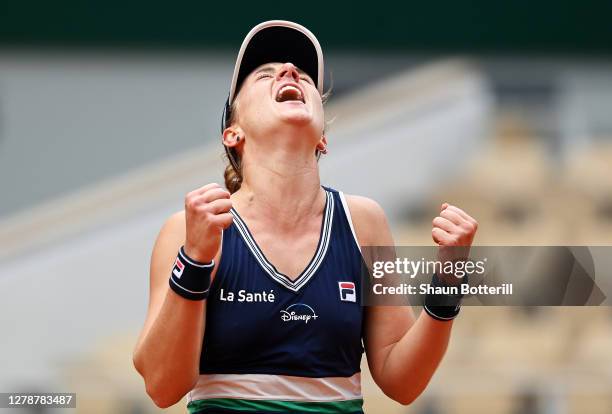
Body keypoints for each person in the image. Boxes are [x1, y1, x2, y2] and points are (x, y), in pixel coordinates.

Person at [132, 20, 478, 414]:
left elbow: (402, 381)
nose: (290, 72)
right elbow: (162, 388)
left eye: (305, 78)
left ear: (322, 139)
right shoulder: (190, 229)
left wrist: (448, 280)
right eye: (264, 74)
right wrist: (194, 262)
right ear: (233, 133)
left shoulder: (363, 222)